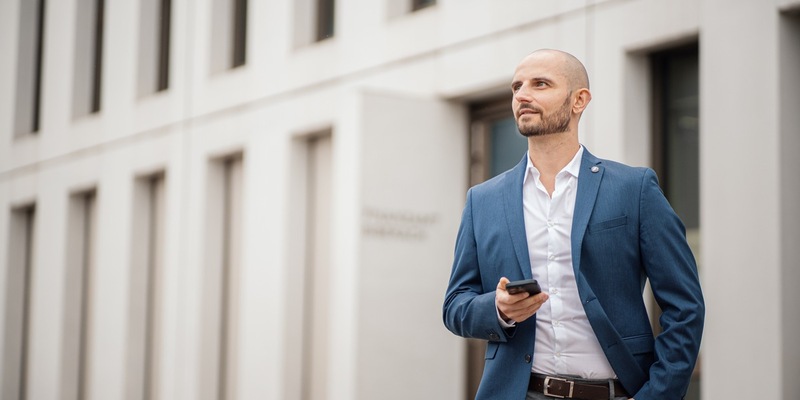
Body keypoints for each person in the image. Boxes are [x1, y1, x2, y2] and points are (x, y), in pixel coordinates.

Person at [442, 49, 704, 400]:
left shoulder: (633, 189)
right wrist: (498, 309)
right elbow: (455, 305)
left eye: (540, 84)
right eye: (517, 86)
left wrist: (657, 394)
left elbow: (685, 306)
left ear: (579, 100)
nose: (523, 95)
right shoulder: (483, 200)